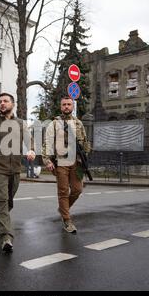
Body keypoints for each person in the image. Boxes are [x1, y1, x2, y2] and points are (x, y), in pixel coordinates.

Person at [0, 93, 35, 252]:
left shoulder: (22, 124)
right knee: (2, 200)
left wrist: (31, 150)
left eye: (5, 101)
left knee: (8, 201)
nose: (2, 103)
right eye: (0, 101)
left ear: (13, 104)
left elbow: (29, 142)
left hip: (15, 169)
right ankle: (6, 237)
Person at [42, 96, 91, 234]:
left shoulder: (79, 124)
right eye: (64, 104)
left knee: (77, 189)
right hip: (61, 162)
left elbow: (85, 142)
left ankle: (63, 208)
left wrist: (85, 157)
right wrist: (47, 160)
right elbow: (48, 143)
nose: (66, 107)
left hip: (77, 162)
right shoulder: (54, 124)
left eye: (69, 104)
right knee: (63, 191)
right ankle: (67, 220)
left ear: (73, 106)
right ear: (61, 107)